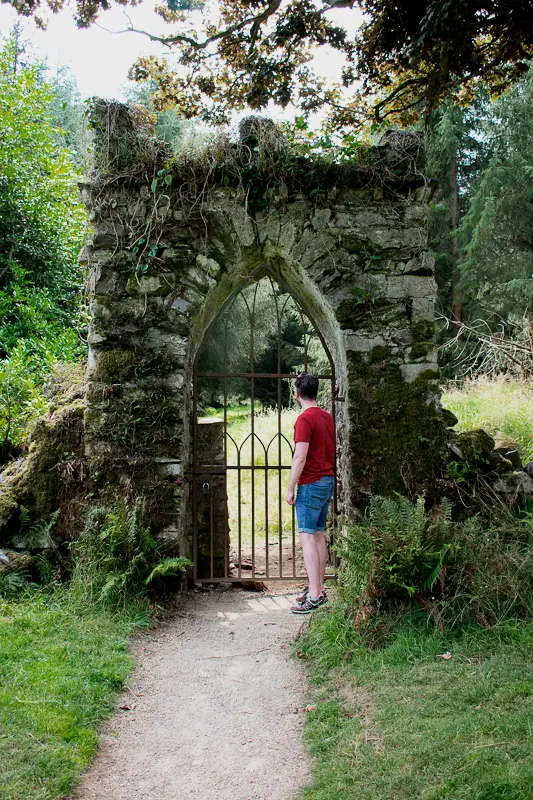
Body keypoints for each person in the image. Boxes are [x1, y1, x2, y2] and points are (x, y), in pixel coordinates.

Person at [285, 373, 335, 614]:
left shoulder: (305, 420)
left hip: (311, 483)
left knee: (307, 537)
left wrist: (290, 486)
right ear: (316, 392)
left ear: (297, 395)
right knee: (318, 536)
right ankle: (318, 588)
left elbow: (300, 456)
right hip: (327, 481)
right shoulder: (327, 417)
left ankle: (315, 595)